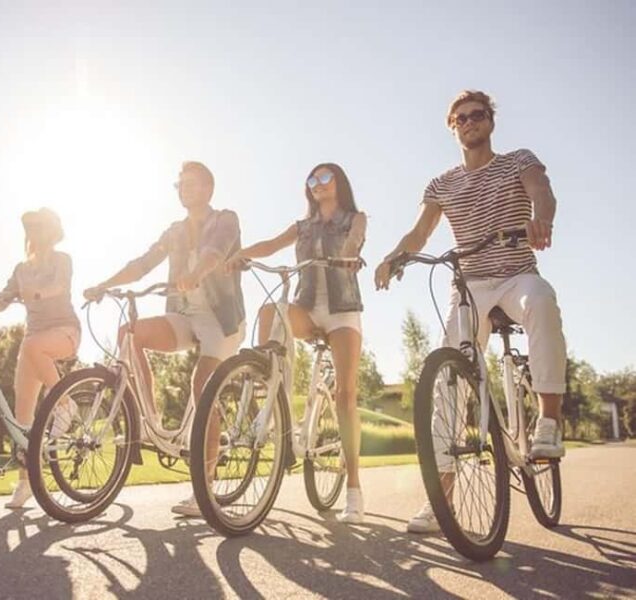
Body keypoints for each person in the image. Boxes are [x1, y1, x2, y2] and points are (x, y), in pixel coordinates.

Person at [374, 90, 567, 533]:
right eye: (460, 118)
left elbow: (542, 192)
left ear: (490, 121)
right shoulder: (441, 184)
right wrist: (394, 257)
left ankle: (548, 422)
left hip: (517, 275)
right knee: (447, 377)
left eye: (477, 115)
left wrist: (541, 219)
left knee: (542, 300)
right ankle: (441, 499)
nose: (468, 122)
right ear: (452, 127)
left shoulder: (518, 161)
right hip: (471, 285)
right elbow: (420, 232)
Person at [84, 161, 246, 517]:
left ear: (208, 188)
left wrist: (195, 273)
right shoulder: (175, 231)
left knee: (202, 385)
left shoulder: (225, 219)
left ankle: (205, 489)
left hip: (221, 321)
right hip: (185, 315)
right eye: (180, 184)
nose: (184, 188)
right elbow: (142, 264)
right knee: (129, 334)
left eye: (192, 183)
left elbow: (215, 252)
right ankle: (148, 422)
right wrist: (104, 285)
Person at [228, 162, 367, 524]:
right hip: (307, 308)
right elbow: (272, 244)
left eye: (325, 177)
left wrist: (350, 253)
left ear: (339, 182)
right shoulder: (302, 226)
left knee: (345, 396)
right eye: (312, 179)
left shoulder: (354, 218)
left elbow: (355, 239)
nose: (318, 183)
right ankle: (273, 400)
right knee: (269, 312)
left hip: (342, 312)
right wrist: (241, 254)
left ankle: (353, 489)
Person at [0, 208, 81, 509]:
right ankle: (26, 482)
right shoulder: (21, 269)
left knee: (32, 345)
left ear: (52, 232)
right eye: (30, 228)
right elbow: (5, 298)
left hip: (65, 332)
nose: (33, 232)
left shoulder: (62, 260)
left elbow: (59, 286)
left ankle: (65, 404)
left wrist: (36, 293)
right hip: (33, 342)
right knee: (21, 417)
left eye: (39, 227)